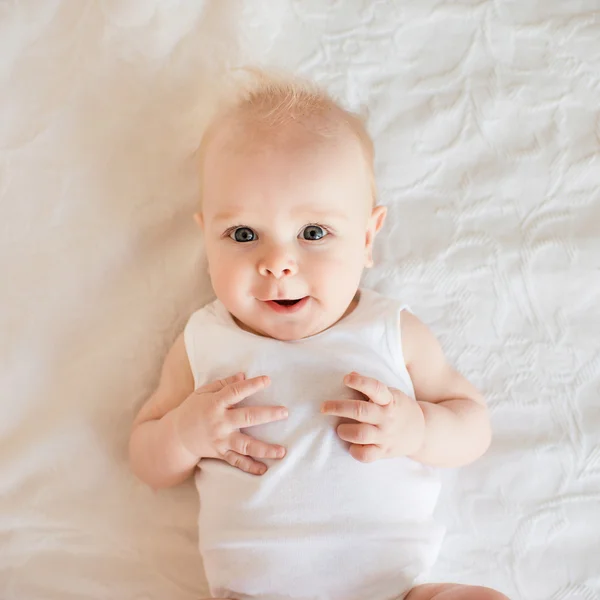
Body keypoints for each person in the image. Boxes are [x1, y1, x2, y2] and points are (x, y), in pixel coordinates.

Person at [129, 71, 508, 600]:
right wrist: (185, 434)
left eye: (313, 233)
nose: (278, 263)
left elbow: (472, 424)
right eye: (242, 234)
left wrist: (417, 429)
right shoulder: (204, 340)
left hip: (391, 588)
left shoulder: (389, 331)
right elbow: (146, 457)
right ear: (206, 238)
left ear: (369, 237)